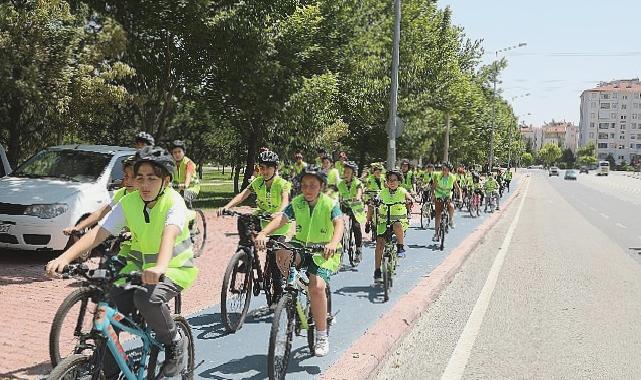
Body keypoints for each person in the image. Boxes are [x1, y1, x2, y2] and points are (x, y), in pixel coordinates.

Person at [46, 146, 197, 378]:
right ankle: (111, 365)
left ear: (166, 181)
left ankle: (174, 342)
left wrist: (159, 267)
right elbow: (99, 232)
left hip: (174, 267)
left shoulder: (173, 203)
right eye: (140, 178)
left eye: (152, 178)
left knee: (145, 297)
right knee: (110, 300)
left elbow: (170, 234)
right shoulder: (129, 202)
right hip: (139, 266)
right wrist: (64, 257)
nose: (145, 184)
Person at [255, 166, 343, 357]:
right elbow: (282, 219)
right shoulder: (297, 203)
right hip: (302, 247)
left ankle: (321, 335)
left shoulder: (330, 204)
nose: (308, 189)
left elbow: (339, 224)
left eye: (312, 185)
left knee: (317, 287)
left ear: (321, 185)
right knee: (280, 251)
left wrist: (333, 243)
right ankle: (292, 292)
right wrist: (263, 232)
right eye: (304, 185)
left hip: (323, 251)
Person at [217, 150, 291, 304]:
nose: (264, 171)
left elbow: (285, 201)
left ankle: (278, 292)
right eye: (261, 168)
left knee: (274, 258)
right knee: (243, 220)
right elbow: (243, 194)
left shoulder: (282, 184)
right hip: (262, 217)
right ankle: (246, 255)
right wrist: (227, 206)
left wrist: (280, 212)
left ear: (275, 168)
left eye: (267, 168)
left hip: (277, 224)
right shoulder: (257, 182)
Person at [367, 169, 412, 283]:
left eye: (394, 180)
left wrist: (410, 200)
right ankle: (377, 271)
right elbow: (376, 199)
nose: (392, 182)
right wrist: (375, 201)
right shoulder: (383, 192)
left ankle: (400, 247)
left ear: (399, 182)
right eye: (389, 180)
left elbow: (409, 197)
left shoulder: (402, 191)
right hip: (383, 222)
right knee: (379, 244)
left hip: (399, 222)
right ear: (386, 182)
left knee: (397, 224)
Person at [337, 161, 365, 263]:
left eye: (348, 172)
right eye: (345, 171)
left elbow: (359, 193)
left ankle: (358, 249)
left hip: (356, 207)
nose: (346, 173)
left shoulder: (358, 183)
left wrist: (357, 198)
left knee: (356, 226)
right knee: (336, 224)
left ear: (353, 173)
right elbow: (335, 194)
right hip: (344, 206)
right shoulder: (340, 184)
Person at [431, 162, 462, 242]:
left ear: (449, 170)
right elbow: (433, 187)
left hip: (448, 195)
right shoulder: (437, 176)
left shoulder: (452, 177)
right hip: (439, 194)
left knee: (451, 206)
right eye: (443, 169)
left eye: (446, 169)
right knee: (438, 214)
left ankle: (451, 220)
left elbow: (458, 189)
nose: (444, 171)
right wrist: (433, 195)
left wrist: (460, 198)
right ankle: (436, 233)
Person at [170, 140, 200, 206]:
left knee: (182, 198)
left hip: (191, 189)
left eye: (179, 151)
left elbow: (188, 177)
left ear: (184, 152)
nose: (177, 154)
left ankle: (188, 213)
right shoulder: (172, 164)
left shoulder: (188, 163)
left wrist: (185, 185)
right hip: (178, 189)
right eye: (175, 152)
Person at [364, 163, 385, 234]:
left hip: (380, 196)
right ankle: (367, 223)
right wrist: (366, 190)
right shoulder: (370, 179)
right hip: (371, 196)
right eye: (377, 171)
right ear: (374, 172)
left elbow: (386, 186)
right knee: (370, 208)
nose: (378, 173)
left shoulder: (383, 178)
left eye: (380, 171)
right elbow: (367, 187)